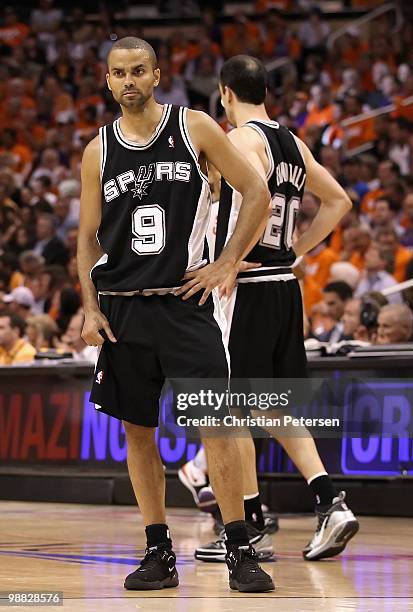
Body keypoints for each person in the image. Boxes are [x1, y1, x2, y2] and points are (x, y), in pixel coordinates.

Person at [77, 37, 274, 593]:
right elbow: (87, 240)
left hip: (185, 304)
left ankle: (239, 546)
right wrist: (90, 306)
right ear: (108, 81)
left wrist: (228, 262)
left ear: (157, 74)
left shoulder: (194, 128)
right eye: (119, 73)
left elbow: (256, 192)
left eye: (139, 70)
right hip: (123, 312)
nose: (130, 81)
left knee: (219, 424)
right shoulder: (98, 150)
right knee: (139, 433)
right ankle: (158, 551)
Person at [184, 55, 358, 563]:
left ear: (225, 94)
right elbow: (339, 201)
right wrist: (297, 250)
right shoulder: (293, 143)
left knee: (229, 411)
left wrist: (230, 260)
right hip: (284, 285)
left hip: (250, 285)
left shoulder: (239, 140)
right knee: (270, 406)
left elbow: (256, 198)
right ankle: (329, 502)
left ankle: (249, 527)